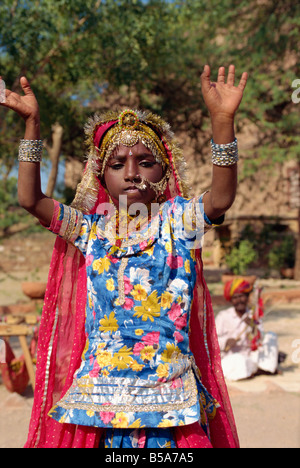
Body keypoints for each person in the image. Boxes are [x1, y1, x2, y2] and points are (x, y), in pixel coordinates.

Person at [0, 64, 248, 448]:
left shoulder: (179, 221)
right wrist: (32, 124)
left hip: (169, 401)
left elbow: (221, 198)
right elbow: (30, 199)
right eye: (118, 165)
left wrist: (222, 120)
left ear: (164, 174)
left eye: (145, 162)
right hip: (100, 401)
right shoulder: (91, 230)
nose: (132, 173)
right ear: (101, 177)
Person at [215, 278, 279, 382]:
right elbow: (211, 341)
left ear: (247, 297)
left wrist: (254, 327)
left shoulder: (253, 316)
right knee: (239, 360)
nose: (239, 300)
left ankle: (260, 368)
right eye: (235, 298)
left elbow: (260, 340)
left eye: (242, 296)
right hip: (231, 357)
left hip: (251, 355)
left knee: (271, 336)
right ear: (231, 300)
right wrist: (226, 341)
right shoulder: (223, 316)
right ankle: (256, 370)